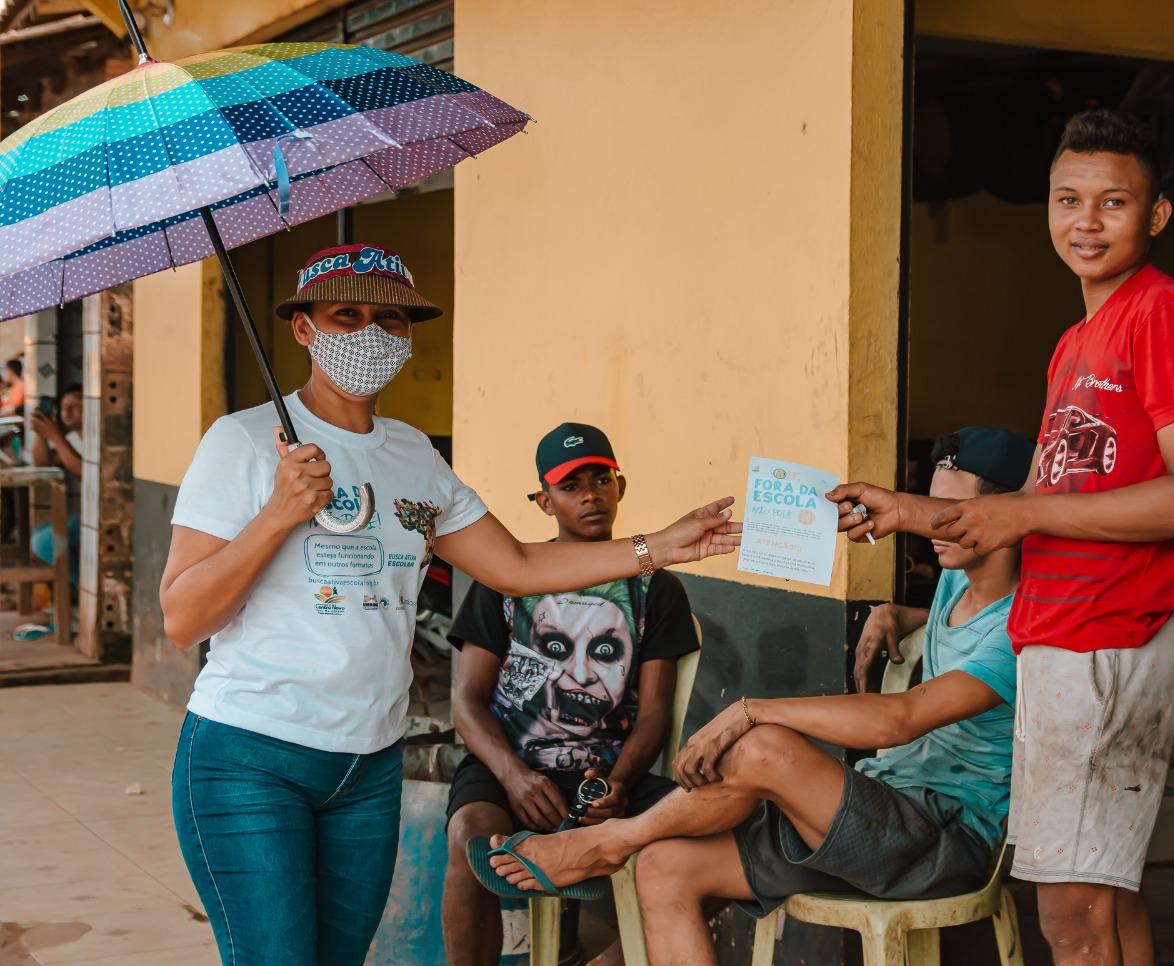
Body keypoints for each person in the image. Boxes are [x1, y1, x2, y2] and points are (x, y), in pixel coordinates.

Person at [160, 244, 739, 966]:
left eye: (391, 320)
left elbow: (519, 565)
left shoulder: (412, 455)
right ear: (303, 329)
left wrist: (661, 547)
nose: (371, 333)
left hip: (365, 765)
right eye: (348, 315)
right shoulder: (242, 443)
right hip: (252, 754)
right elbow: (183, 618)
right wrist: (278, 513)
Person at [833, 110, 1174, 965]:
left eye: (1113, 202)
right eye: (1068, 200)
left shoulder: (1162, 315)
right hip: (1068, 640)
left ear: (1155, 217)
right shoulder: (1077, 342)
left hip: (1108, 639)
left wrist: (1025, 512)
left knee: (1071, 920)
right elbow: (1038, 504)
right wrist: (906, 510)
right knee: (1106, 906)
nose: (1086, 221)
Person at [469, 428, 1033, 966]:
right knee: (665, 866)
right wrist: (898, 613)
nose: (935, 526)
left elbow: (900, 718)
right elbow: (958, 621)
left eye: (954, 514)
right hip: (882, 808)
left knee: (762, 746)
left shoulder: (1022, 628)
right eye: (933, 507)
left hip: (946, 838)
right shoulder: (957, 578)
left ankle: (603, 844)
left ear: (1004, 515)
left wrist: (749, 710)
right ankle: (615, 845)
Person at [444, 422, 699, 966]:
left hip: (606, 775)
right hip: (507, 764)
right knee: (472, 840)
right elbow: (465, 700)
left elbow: (654, 712)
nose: (590, 495)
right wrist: (514, 775)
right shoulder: (504, 578)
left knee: (718, 839)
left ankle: (600, 961)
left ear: (620, 486)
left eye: (601, 480)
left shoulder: (657, 589)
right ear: (544, 501)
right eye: (571, 486)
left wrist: (620, 783)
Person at [30, 384, 83, 585]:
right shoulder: (71, 439)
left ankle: (82, 585)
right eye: (63, 407)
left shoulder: (97, 437)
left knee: (43, 542)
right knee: (41, 532)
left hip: (104, 516)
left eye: (75, 405)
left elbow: (84, 472)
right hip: (85, 516)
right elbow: (42, 464)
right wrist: (41, 434)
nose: (67, 411)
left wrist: (55, 437)